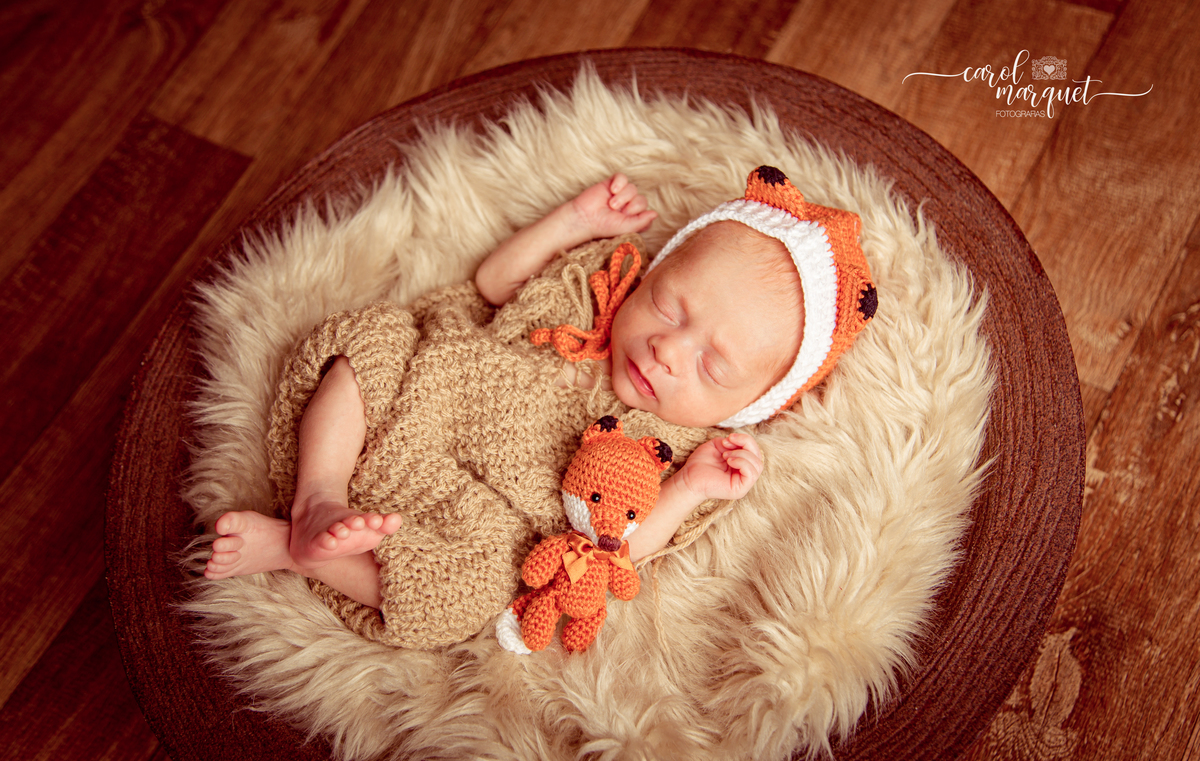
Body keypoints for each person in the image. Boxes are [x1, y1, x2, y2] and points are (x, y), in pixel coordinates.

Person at [202, 165, 876, 648]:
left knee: (469, 592)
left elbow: (622, 547)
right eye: (669, 305)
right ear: (653, 268)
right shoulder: (594, 290)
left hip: (476, 515)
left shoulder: (679, 451)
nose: (669, 349)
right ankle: (318, 494)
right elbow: (494, 283)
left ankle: (299, 552)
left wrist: (693, 486)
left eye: (712, 365)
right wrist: (575, 221)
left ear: (752, 405)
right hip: (429, 394)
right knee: (376, 338)